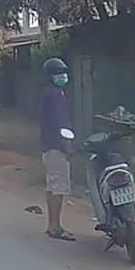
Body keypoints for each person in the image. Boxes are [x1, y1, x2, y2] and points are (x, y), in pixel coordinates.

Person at [39, 57, 75, 241]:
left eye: (63, 72)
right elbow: (59, 124)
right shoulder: (54, 95)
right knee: (58, 187)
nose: (62, 76)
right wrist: (68, 147)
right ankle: (55, 227)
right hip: (56, 146)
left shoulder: (52, 93)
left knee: (53, 186)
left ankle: (52, 225)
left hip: (49, 145)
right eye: (58, 73)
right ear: (50, 76)